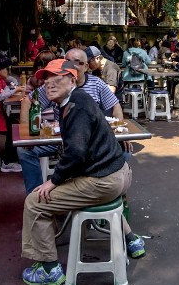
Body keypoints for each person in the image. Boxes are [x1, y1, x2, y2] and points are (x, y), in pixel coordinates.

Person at [20, 59, 145, 285]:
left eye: (55, 76)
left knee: (35, 201)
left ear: (72, 78)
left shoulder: (77, 106)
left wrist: (54, 181)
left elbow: (76, 153)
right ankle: (132, 240)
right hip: (118, 173)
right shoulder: (74, 101)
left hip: (105, 181)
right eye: (45, 77)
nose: (48, 82)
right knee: (65, 187)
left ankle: (49, 269)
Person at [18, 49, 124, 194]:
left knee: (122, 152)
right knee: (25, 150)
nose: (73, 66)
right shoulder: (54, 84)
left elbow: (114, 105)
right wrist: (27, 134)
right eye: (68, 61)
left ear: (86, 67)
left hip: (86, 147)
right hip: (59, 139)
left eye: (78, 63)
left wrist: (120, 134)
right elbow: (28, 101)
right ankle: (35, 193)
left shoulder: (90, 89)